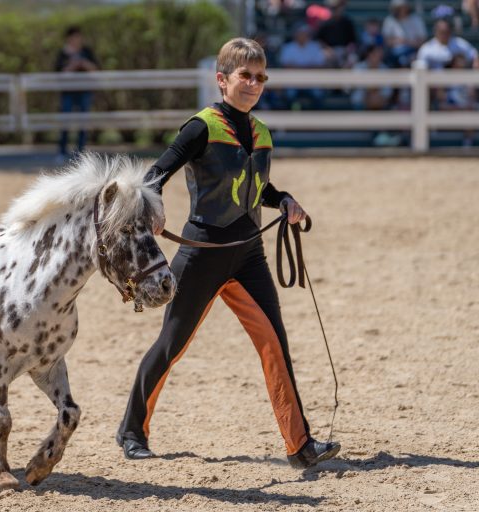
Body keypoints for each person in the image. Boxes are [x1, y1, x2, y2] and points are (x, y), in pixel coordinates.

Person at [115, 38, 341, 469]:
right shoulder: (201, 126)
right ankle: (131, 431)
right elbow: (154, 176)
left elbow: (258, 188)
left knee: (275, 344)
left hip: (249, 254)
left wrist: (285, 200)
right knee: (171, 345)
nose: (253, 84)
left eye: (260, 77)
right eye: (245, 76)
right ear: (222, 80)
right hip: (203, 253)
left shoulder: (261, 132)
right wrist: (154, 208)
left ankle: (300, 445)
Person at [54, 26, 99, 161]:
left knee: (83, 123)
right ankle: (62, 152)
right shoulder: (63, 53)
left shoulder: (86, 52)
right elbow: (58, 73)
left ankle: (80, 153)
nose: (76, 40)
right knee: (65, 122)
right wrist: (73, 64)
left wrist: (84, 63)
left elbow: (96, 69)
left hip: (84, 91)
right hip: (67, 92)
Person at [278, 24, 328, 109]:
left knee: (318, 97)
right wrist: (308, 67)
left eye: (304, 33)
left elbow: (320, 66)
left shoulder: (315, 47)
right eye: (300, 33)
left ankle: (317, 120)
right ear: (295, 35)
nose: (302, 36)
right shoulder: (288, 47)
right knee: (289, 97)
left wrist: (297, 67)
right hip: (292, 82)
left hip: (312, 82)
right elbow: (286, 66)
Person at [382, 0, 427, 67]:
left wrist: (408, 42)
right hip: (393, 54)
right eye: (399, 7)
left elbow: (422, 40)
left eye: (404, 7)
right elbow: (386, 41)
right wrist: (399, 41)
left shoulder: (416, 20)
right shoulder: (389, 21)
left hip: (413, 51)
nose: (402, 10)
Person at [315, 0, 358, 68]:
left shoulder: (347, 22)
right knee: (322, 57)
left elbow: (352, 41)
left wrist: (347, 50)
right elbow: (319, 40)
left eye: (338, 7)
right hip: (329, 50)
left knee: (352, 59)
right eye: (333, 8)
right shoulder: (324, 23)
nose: (335, 10)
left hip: (344, 50)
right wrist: (327, 49)